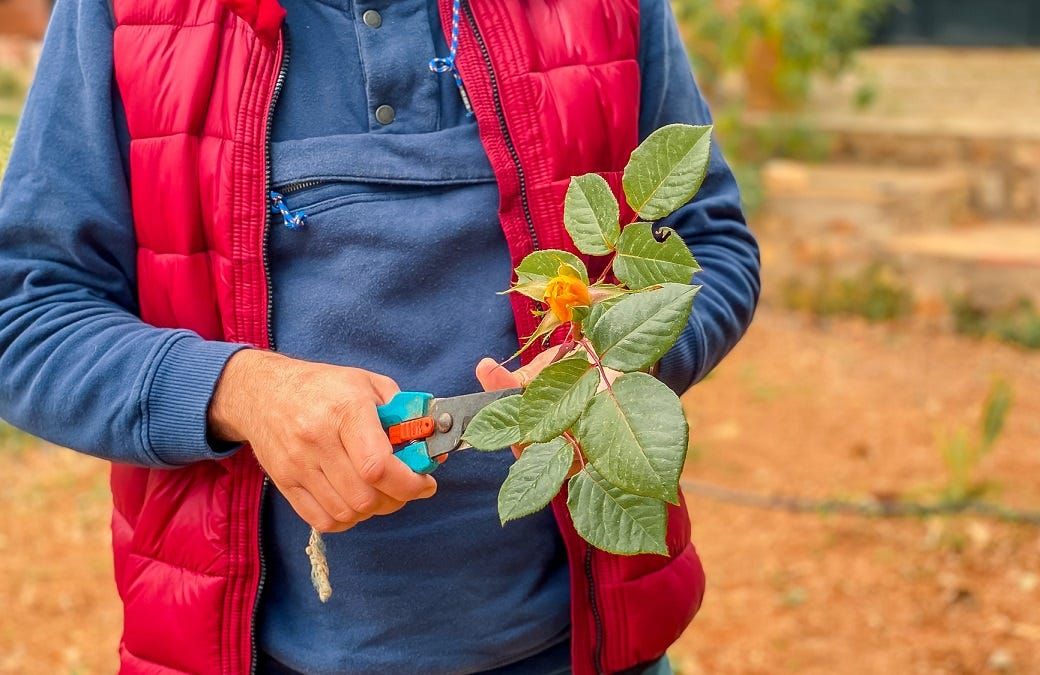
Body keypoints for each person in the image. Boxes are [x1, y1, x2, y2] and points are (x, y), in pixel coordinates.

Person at [0, 0, 760, 671]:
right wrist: (243, 392)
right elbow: (24, 312)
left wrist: (616, 356)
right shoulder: (130, 13)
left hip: (588, 648)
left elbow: (709, 242)